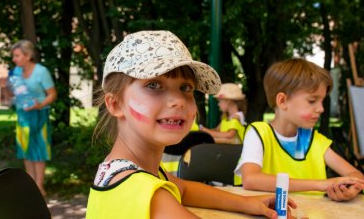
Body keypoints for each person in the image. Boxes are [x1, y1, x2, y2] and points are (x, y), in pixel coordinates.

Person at [86, 30, 296, 218]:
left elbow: (184, 189)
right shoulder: (146, 193)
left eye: (185, 88)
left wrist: (248, 203)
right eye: (153, 85)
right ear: (115, 104)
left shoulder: (125, 172)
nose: (177, 100)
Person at [235, 58, 364, 202]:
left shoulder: (314, 140)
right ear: (282, 101)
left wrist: (351, 190)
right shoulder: (258, 134)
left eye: (322, 101)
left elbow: (355, 174)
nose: (321, 109)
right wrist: (320, 184)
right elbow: (251, 179)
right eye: (312, 101)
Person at [10, 40, 57, 196]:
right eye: (13, 56)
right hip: (23, 116)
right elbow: (14, 92)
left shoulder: (41, 72)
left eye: (17, 55)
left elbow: (52, 94)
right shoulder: (16, 72)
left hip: (39, 115)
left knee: (39, 150)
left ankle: (39, 187)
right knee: (26, 150)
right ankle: (31, 186)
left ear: (28, 55)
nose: (14, 59)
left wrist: (40, 104)